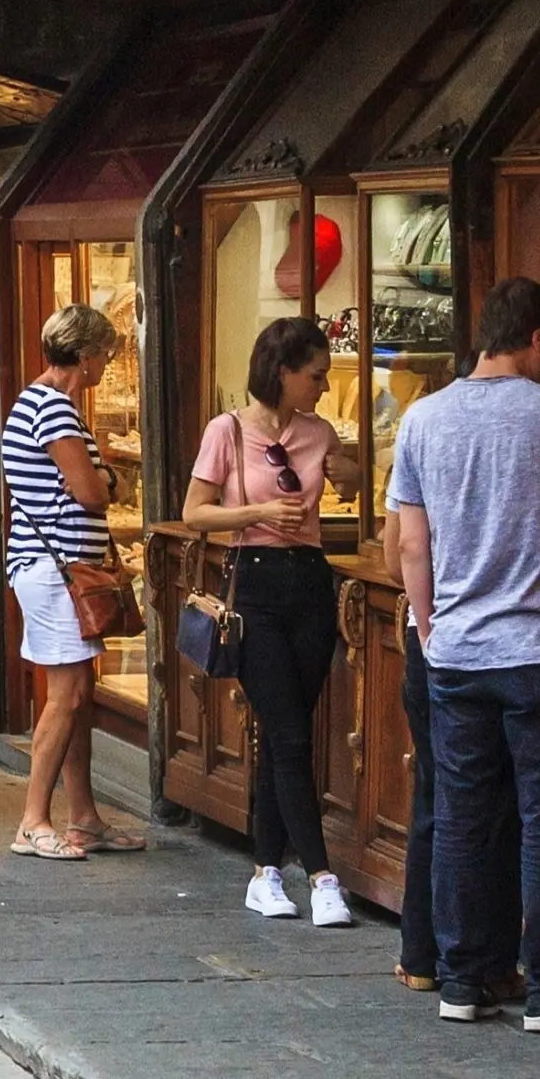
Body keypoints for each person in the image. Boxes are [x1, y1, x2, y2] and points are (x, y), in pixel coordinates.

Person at [390, 277, 540, 1033]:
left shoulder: (423, 418)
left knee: (461, 816)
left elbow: (413, 544)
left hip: (459, 650)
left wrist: (429, 626)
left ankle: (460, 980)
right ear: (537, 338)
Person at [193, 316, 353, 926]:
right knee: (288, 736)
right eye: (315, 376)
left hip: (310, 585)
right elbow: (193, 511)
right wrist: (258, 510)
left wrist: (351, 473)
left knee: (288, 733)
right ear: (282, 372)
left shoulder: (319, 433)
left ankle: (264, 872)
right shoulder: (227, 431)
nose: (322, 386)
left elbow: (352, 481)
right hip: (253, 584)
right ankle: (321, 876)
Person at [1, 302, 139, 860]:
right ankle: (33, 820)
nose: (108, 364)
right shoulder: (55, 409)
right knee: (68, 696)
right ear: (84, 356)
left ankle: (83, 817)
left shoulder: (33, 402)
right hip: (55, 569)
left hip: (52, 566)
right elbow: (92, 491)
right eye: (106, 354)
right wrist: (105, 473)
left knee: (77, 696)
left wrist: (100, 471)